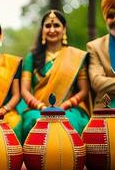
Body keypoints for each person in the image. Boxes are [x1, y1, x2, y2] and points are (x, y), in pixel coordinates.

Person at [20, 10, 91, 142]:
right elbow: (24, 90)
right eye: (47, 26)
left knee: (70, 122)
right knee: (34, 121)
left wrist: (63, 107)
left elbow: (84, 90)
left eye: (56, 25)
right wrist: (42, 107)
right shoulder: (32, 57)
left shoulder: (75, 57)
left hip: (69, 109)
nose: (52, 29)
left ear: (64, 29)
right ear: (42, 30)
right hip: (38, 109)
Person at [87, 0, 115, 108]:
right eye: (111, 16)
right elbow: (97, 82)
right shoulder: (94, 46)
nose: (114, 20)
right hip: (106, 107)